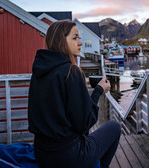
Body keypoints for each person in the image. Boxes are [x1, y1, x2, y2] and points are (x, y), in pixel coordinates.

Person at [28, 20, 121, 168]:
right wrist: (98, 91)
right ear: (61, 40)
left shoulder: (38, 72)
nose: (80, 43)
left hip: (43, 154)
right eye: (75, 37)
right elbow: (84, 124)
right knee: (114, 127)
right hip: (69, 157)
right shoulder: (71, 72)